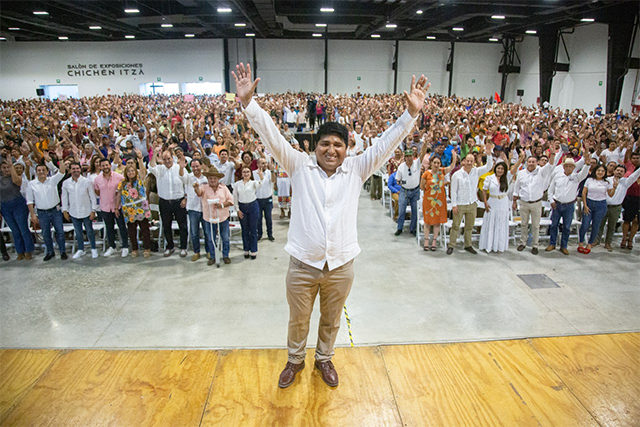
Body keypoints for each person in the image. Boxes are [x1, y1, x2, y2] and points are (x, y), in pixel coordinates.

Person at [233, 62, 429, 388]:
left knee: (331, 319)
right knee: (298, 319)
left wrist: (409, 115)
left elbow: (385, 145)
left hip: (340, 265)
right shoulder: (298, 165)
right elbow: (270, 134)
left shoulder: (357, 169)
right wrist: (249, 104)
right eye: (325, 143)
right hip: (303, 265)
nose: (331, 149)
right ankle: (295, 360)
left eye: (338, 144)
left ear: (346, 148)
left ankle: (324, 359)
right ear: (314, 146)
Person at [447, 143, 494, 255]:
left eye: (471, 161)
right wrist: (454, 205)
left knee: (469, 227)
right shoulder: (457, 175)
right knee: (455, 226)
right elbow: (453, 191)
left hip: (472, 203)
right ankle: (451, 245)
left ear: (474, 162)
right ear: (463, 161)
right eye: (467, 161)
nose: (469, 163)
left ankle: (468, 245)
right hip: (460, 204)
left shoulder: (476, 172)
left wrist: (489, 154)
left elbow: (489, 166)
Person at [512, 146, 557, 255]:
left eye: (533, 162)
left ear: (537, 163)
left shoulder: (541, 172)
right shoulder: (521, 173)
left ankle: (535, 245)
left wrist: (552, 154)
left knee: (536, 225)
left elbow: (550, 165)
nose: (531, 163)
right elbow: (516, 188)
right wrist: (514, 201)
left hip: (536, 203)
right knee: (523, 224)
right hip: (524, 203)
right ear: (526, 163)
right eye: (529, 161)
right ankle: (522, 242)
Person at [148, 146, 189, 257]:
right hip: (164, 202)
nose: (167, 161)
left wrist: (185, 198)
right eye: (165, 159)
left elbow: (186, 181)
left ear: (173, 158)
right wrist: (155, 154)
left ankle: (183, 247)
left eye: (169, 159)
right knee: (166, 225)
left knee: (182, 226)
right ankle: (169, 246)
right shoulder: (160, 169)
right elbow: (151, 167)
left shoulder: (178, 167)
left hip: (179, 201)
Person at [26, 156, 68, 261]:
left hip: (55, 211)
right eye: (39, 170)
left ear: (47, 171)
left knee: (60, 232)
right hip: (42, 213)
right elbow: (30, 201)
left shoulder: (52, 180)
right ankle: (50, 252)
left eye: (43, 170)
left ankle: (62, 251)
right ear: (36, 172)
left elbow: (62, 172)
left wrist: (60, 158)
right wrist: (32, 215)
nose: (41, 172)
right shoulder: (31, 185)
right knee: (46, 234)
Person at [546, 157, 590, 255]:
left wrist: (587, 165)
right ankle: (552, 243)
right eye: (567, 166)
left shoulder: (576, 177)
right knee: (554, 225)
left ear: (573, 167)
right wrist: (551, 200)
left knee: (566, 226)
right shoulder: (557, 176)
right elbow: (550, 189)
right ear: (564, 167)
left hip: (569, 205)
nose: (568, 168)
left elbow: (584, 174)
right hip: (557, 204)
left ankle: (564, 246)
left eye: (571, 166)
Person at [194, 167, 233, 266]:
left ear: (218, 179)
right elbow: (199, 193)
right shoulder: (204, 187)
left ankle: (225, 255)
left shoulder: (223, 188)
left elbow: (231, 200)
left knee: (225, 238)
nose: (212, 180)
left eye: (214, 178)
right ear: (208, 179)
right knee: (210, 238)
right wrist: (196, 188)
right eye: (210, 178)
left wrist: (222, 205)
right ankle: (212, 256)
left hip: (222, 217)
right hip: (209, 218)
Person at [116, 152, 151, 258]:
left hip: (141, 208)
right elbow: (118, 195)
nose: (131, 173)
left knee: (144, 229)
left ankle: (147, 248)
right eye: (128, 171)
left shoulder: (140, 180)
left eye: (132, 171)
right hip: (128, 209)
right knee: (131, 230)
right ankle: (134, 249)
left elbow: (143, 171)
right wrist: (116, 207)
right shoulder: (122, 183)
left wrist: (140, 159)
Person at [598, 164, 640, 250]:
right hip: (604, 205)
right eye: (618, 170)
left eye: (621, 171)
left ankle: (608, 243)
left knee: (612, 226)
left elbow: (634, 176)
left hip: (616, 207)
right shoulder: (607, 180)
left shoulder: (626, 182)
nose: (619, 172)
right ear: (614, 171)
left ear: (624, 173)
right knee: (600, 225)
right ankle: (596, 241)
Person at [61, 162, 99, 259]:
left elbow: (92, 197)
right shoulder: (66, 183)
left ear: (80, 169)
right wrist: (65, 210)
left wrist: (93, 210)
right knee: (78, 232)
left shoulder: (87, 182)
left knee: (90, 231)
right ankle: (81, 249)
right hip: (74, 212)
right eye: (73, 168)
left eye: (77, 168)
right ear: (70, 170)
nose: (76, 170)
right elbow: (64, 198)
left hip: (86, 211)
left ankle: (93, 248)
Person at [420, 153, 456, 251]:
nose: (436, 165)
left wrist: (454, 158)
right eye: (434, 162)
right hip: (429, 200)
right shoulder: (426, 173)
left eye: (438, 163)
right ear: (431, 163)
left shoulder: (442, 172)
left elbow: (452, 167)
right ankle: (426, 240)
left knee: (437, 222)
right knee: (427, 222)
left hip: (440, 201)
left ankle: (435, 240)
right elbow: (421, 186)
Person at [94, 158, 129, 257]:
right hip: (105, 207)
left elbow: (124, 192)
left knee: (122, 227)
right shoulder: (97, 179)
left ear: (110, 165)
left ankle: (125, 247)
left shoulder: (119, 177)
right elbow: (97, 192)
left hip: (118, 207)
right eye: (103, 165)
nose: (105, 167)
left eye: (107, 165)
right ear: (100, 167)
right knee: (109, 228)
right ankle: (112, 247)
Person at [0, 160, 34, 260]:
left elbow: (17, 183)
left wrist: (11, 166)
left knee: (23, 229)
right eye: (4, 168)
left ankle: (28, 250)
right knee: (14, 230)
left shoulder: (17, 177)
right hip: (5, 207)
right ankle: (20, 251)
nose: (6, 169)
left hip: (19, 205)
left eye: (8, 167)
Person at [578, 164, 615, 254]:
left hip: (601, 205)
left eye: (602, 171)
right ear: (595, 171)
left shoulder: (607, 183)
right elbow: (584, 193)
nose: (600, 172)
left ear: (605, 173)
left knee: (596, 225)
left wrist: (615, 187)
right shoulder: (589, 180)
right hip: (589, 203)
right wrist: (585, 205)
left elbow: (610, 194)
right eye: (599, 170)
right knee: (585, 224)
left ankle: (590, 244)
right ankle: (581, 243)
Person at [478, 162, 513, 253]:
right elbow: (484, 191)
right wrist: (485, 202)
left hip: (503, 202)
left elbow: (515, 168)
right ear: (495, 168)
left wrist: (521, 158)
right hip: (492, 202)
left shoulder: (507, 177)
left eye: (502, 169)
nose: (500, 170)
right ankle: (489, 245)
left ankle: (499, 245)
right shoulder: (489, 178)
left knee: (501, 223)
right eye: (498, 168)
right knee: (491, 223)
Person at [186, 158, 211, 261]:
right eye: (193, 166)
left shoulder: (206, 178)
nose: (195, 168)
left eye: (197, 166)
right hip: (193, 208)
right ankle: (196, 252)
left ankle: (209, 251)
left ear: (201, 166)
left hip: (205, 208)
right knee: (194, 232)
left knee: (207, 232)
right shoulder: (188, 177)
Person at [234, 166, 261, 259]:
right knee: (244, 230)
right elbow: (235, 197)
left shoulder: (253, 183)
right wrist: (237, 209)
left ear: (250, 173)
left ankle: (253, 250)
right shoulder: (237, 184)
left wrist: (261, 177)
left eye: (248, 172)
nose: (246, 174)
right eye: (244, 172)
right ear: (241, 174)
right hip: (242, 207)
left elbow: (259, 185)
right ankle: (246, 249)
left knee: (253, 230)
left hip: (253, 206)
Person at [395, 150, 421, 236]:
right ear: (405, 157)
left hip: (415, 191)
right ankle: (399, 228)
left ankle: (413, 228)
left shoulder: (417, 163)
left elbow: (423, 153)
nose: (409, 158)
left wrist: (425, 143)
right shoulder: (401, 167)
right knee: (402, 210)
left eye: (411, 156)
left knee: (415, 210)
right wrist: (402, 182)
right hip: (404, 190)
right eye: (407, 156)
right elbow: (397, 180)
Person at [621, 151, 640, 250]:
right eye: (634, 158)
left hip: (639, 198)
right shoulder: (629, 168)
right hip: (629, 197)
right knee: (627, 219)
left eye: (638, 158)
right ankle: (624, 238)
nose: (636, 160)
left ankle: (630, 239)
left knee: (636, 220)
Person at [253, 158, 275, 242]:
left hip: (267, 199)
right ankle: (259, 234)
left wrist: (272, 171)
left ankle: (270, 234)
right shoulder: (254, 173)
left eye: (265, 163)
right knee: (258, 218)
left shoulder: (269, 173)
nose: (265, 164)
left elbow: (273, 181)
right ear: (258, 164)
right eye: (262, 163)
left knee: (268, 218)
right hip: (257, 199)